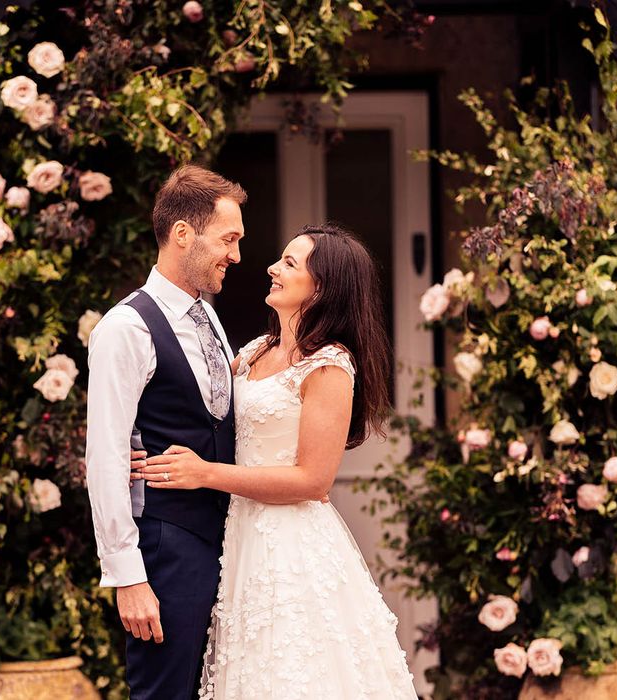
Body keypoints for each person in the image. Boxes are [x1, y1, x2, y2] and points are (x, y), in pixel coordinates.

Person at [135, 224, 419, 699]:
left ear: (322, 286)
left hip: (291, 545)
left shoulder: (329, 365)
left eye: (290, 263)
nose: (271, 267)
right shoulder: (252, 352)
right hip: (239, 535)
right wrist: (137, 443)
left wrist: (204, 474)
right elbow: (194, 411)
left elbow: (312, 480)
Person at [85, 164, 246, 699]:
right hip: (167, 548)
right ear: (183, 234)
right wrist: (128, 577)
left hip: (227, 540)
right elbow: (106, 459)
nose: (237, 256)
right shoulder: (124, 329)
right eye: (229, 239)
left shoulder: (210, 317)